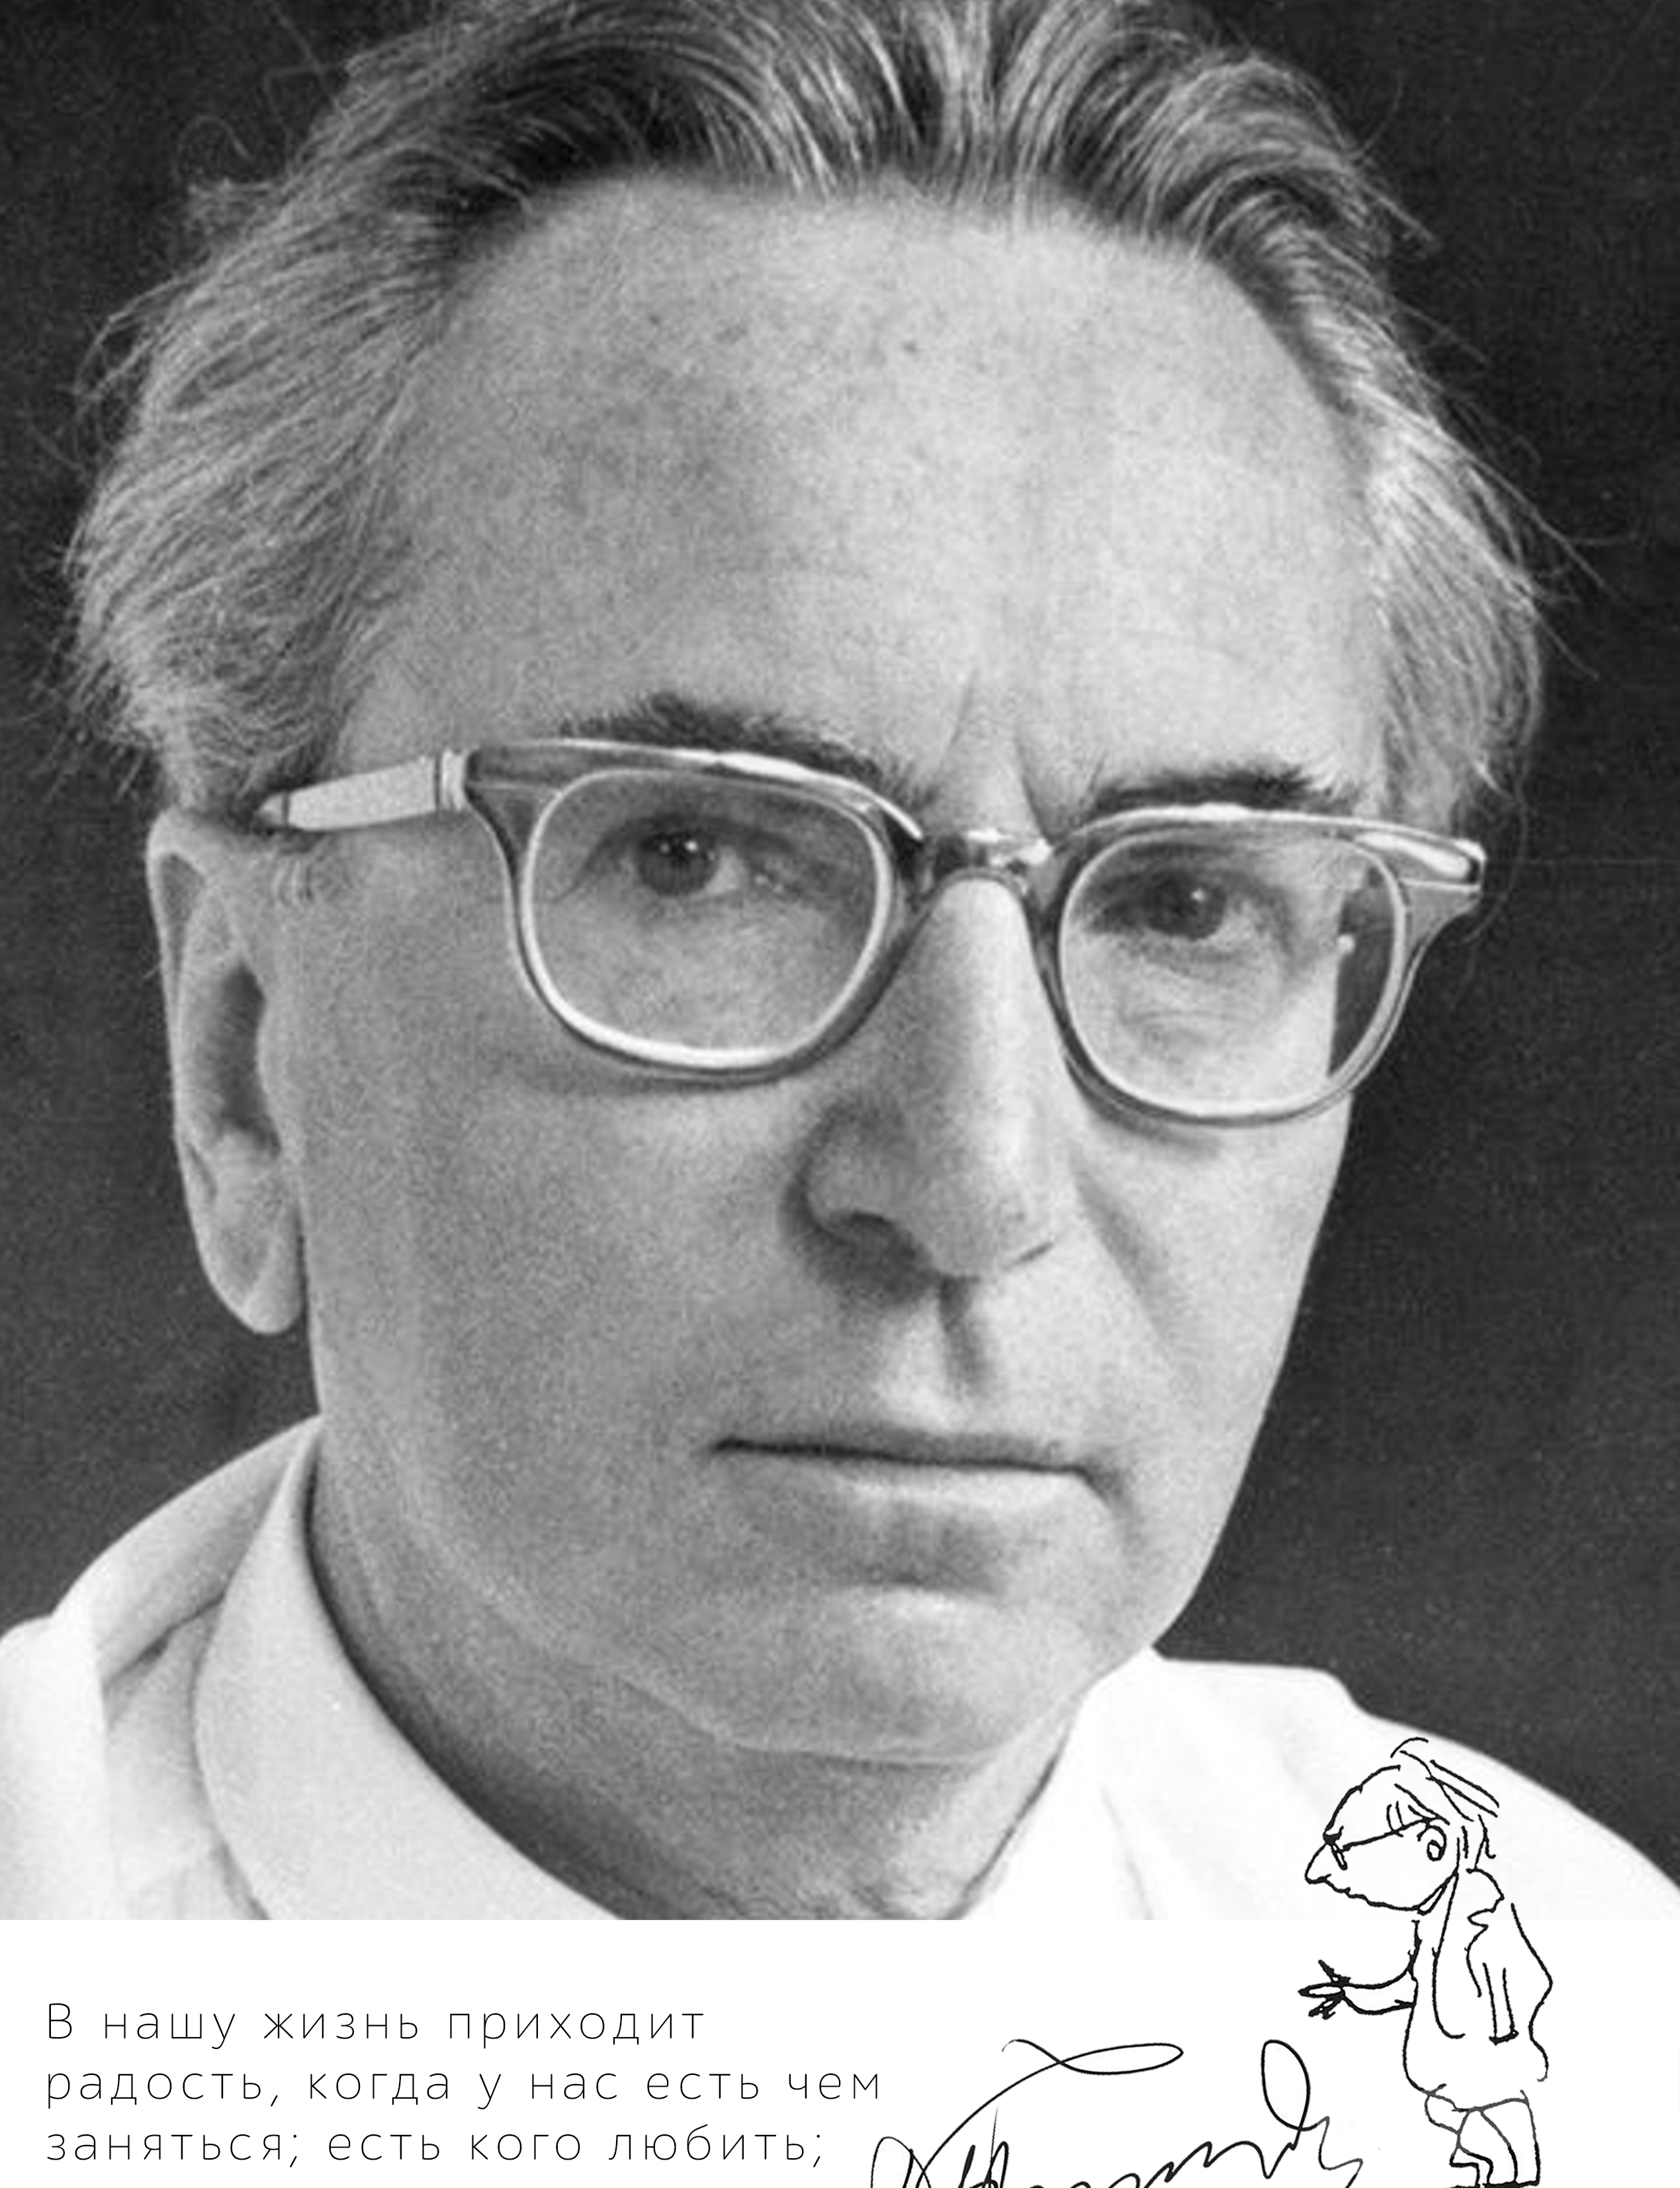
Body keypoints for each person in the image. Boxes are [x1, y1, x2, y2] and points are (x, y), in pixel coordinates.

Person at [0, 0, 1672, 1920]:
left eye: (1183, 904)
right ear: (240, 1058)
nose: (971, 1179)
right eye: (696, 861)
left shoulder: (1591, 2030)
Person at [1302, 1740, 1552, 2188]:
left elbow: (1526, 1975)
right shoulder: (1435, 1921)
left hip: (1482, 2060)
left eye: (1345, 1855)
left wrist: (1500, 2031)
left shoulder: (1480, 1915)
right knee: (1452, 2110)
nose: (1324, 1874)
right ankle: (1498, 2173)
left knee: (1488, 2108)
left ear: (1433, 1845)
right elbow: (1411, 1985)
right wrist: (1356, 1994)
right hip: (1459, 2063)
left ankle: (1510, 2177)